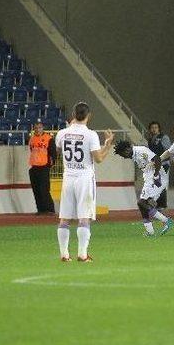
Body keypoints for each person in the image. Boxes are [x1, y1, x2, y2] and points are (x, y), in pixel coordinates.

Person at [55, 102, 114, 262]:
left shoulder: (61, 134)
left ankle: (64, 254)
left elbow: (59, 151)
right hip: (84, 179)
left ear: (74, 114)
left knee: (65, 218)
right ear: (88, 116)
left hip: (68, 177)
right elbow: (99, 158)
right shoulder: (90, 135)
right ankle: (82, 254)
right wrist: (108, 145)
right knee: (84, 217)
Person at [113, 140, 172, 237]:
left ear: (127, 150)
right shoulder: (134, 154)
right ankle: (150, 231)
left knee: (142, 203)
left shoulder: (141, 151)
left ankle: (166, 221)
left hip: (156, 178)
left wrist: (156, 175)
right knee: (143, 204)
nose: (123, 157)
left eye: (122, 154)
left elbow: (157, 159)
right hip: (149, 178)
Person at [28, 121, 56, 214]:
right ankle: (40, 209)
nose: (37, 129)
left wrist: (50, 165)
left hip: (44, 167)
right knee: (36, 190)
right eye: (36, 128)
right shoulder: (32, 139)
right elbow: (32, 150)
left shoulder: (48, 138)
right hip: (34, 167)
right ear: (34, 129)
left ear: (42, 128)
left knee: (44, 189)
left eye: (39, 127)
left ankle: (50, 209)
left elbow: (53, 153)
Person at [147, 121, 171, 213]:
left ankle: (163, 206)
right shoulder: (150, 139)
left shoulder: (164, 138)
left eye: (156, 127)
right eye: (152, 127)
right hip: (154, 165)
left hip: (163, 164)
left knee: (161, 184)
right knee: (155, 184)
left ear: (159, 129)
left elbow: (168, 150)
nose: (154, 129)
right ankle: (157, 205)